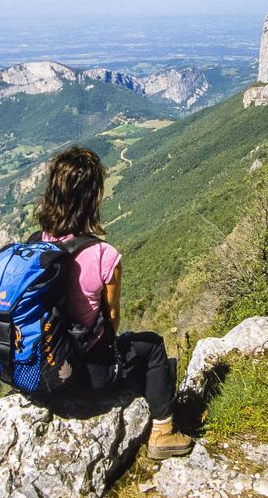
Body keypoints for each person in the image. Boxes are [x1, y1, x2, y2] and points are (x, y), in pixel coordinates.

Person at [35, 146, 194, 460]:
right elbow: (111, 320)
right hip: (84, 376)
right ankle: (163, 433)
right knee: (152, 347)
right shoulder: (104, 256)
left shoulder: (38, 243)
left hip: (43, 371)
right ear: (92, 197)